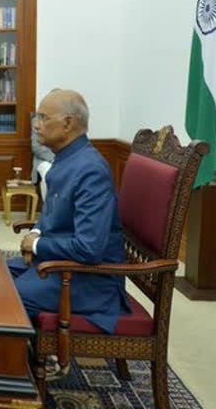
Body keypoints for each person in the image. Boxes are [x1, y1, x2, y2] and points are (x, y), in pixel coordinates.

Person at [8, 89, 129, 340]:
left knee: (8, 297)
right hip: (59, 264)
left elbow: (89, 248)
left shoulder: (90, 170)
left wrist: (39, 245)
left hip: (90, 280)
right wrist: (36, 233)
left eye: (43, 118)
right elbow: (52, 212)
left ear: (67, 123)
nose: (37, 126)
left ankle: (17, 367)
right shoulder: (67, 158)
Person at [31, 111, 55, 199]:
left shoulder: (69, 121)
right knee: (48, 174)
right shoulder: (37, 121)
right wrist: (54, 159)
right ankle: (49, 209)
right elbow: (36, 148)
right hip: (44, 159)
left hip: (65, 158)